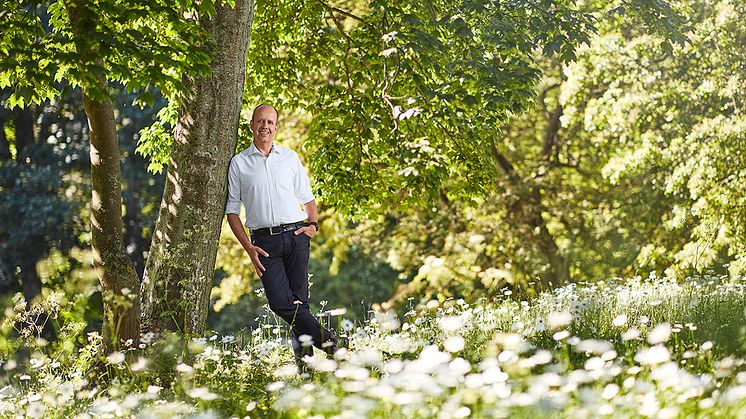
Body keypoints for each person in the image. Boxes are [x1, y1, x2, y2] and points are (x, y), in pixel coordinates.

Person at [225, 104, 339, 368]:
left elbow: (307, 197)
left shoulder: (290, 158)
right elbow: (232, 212)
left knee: (299, 305)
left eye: (270, 122)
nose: (265, 126)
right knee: (280, 303)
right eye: (260, 121)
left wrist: (312, 225)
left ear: (276, 127)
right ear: (252, 125)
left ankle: (307, 371)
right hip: (264, 244)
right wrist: (248, 248)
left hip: (297, 236)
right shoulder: (239, 164)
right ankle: (333, 345)